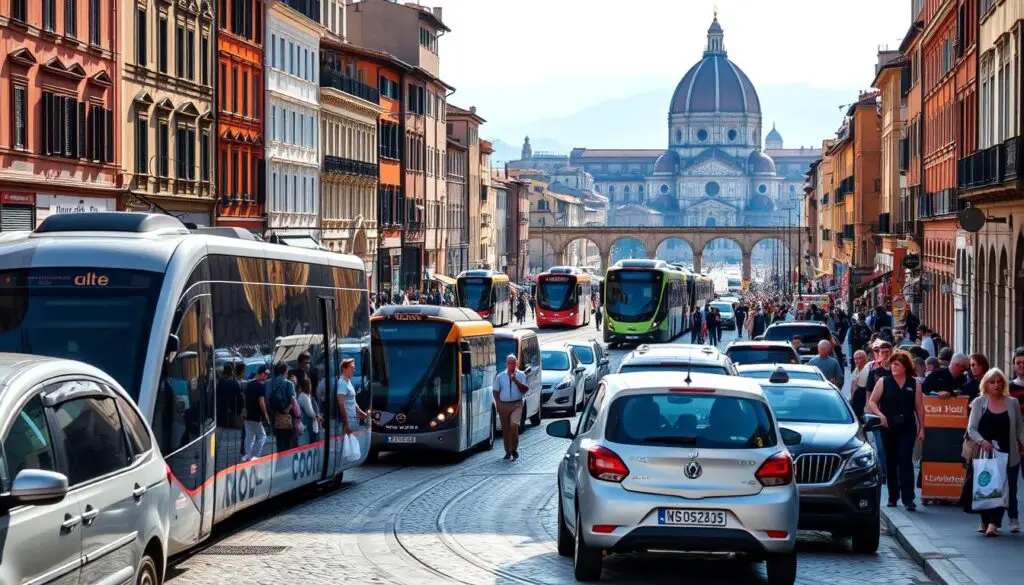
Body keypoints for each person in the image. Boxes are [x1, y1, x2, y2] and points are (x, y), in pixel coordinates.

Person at [965, 368, 1024, 535]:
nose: (996, 385)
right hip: (985, 452)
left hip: (1008, 452)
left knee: (1005, 488)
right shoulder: (979, 402)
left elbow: (1019, 427)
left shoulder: (1012, 402)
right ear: (986, 384)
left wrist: (1022, 443)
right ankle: (985, 520)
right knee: (985, 486)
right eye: (992, 382)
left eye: (999, 382)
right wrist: (982, 441)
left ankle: (995, 523)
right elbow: (972, 428)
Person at [867, 350, 925, 510]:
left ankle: (909, 498)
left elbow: (919, 407)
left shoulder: (914, 384)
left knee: (905, 459)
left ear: (905, 366)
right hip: (888, 426)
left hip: (907, 426)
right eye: (892, 364)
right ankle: (893, 496)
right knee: (891, 461)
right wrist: (880, 415)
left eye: (897, 364)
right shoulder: (884, 381)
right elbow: (872, 402)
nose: (893, 366)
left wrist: (922, 429)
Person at [493, 354, 529, 460]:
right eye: (509, 363)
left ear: (516, 364)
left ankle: (514, 449)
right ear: (506, 364)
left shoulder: (521, 375)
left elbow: (525, 389)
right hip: (504, 405)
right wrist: (498, 404)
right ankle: (508, 451)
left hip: (517, 404)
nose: (511, 366)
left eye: (513, 363)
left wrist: (516, 381)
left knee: (514, 424)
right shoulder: (500, 376)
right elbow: (495, 391)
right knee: (506, 429)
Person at [242, 365, 270, 461]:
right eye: (266, 375)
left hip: (247, 415)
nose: (267, 377)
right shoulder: (260, 386)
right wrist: (266, 415)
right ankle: (255, 455)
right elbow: (261, 402)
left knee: (249, 435)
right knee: (262, 436)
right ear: (262, 374)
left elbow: (245, 399)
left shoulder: (249, 384)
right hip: (256, 415)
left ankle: (247, 455)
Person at [850, 350, 871, 416]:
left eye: (860, 358)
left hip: (863, 402)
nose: (857, 360)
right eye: (855, 358)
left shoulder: (868, 371)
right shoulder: (855, 370)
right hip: (855, 401)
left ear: (866, 359)